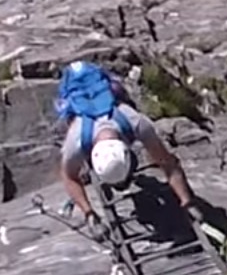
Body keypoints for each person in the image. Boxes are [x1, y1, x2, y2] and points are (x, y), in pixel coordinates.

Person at [53, 59, 197, 235]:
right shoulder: (75, 140)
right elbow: (68, 177)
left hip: (107, 99)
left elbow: (168, 164)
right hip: (78, 100)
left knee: (122, 98)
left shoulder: (137, 123)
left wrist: (187, 201)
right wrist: (89, 214)